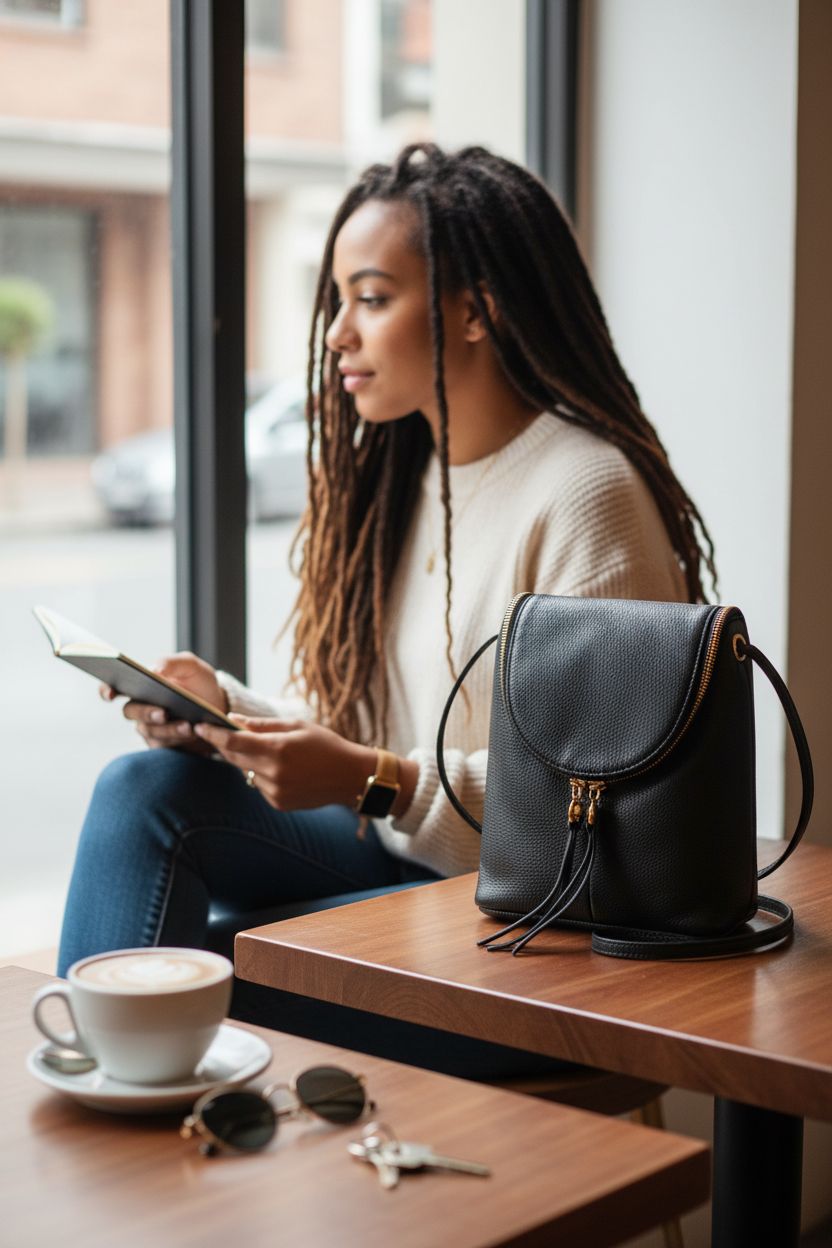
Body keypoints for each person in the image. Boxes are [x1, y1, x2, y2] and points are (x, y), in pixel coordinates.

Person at [57, 143, 715, 983]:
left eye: (371, 298)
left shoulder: (585, 492)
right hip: (411, 863)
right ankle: (94, 1084)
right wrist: (228, 717)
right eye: (339, 300)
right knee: (144, 791)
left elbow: (598, 818)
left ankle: (100, 1085)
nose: (336, 333)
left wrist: (381, 783)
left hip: (534, 928)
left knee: (192, 981)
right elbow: (368, 750)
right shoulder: (415, 477)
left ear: (475, 311)